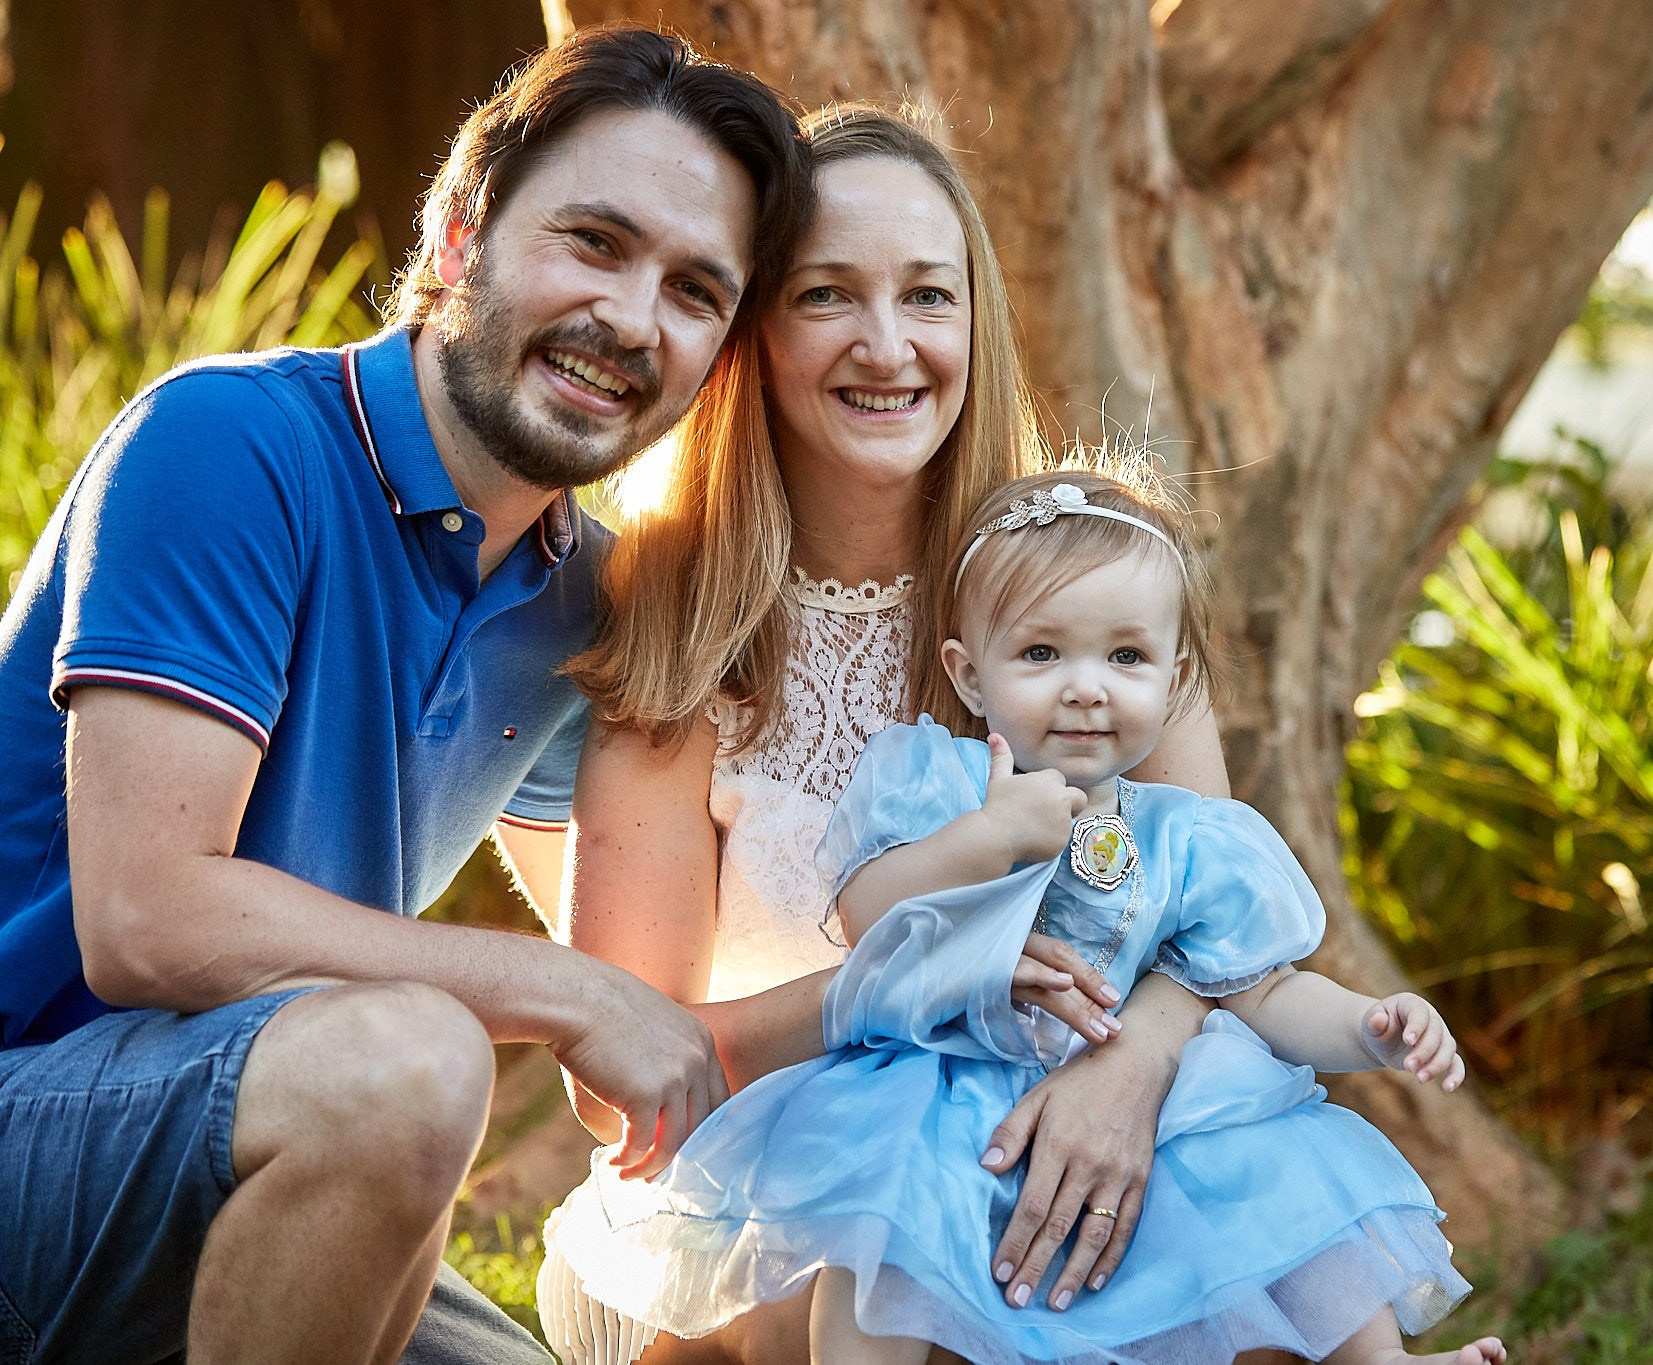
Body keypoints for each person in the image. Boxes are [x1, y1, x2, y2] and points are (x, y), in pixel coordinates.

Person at [0, 25, 809, 1364]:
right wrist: (553, 990)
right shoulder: (228, 445)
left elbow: (642, 1001)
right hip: (39, 1131)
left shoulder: (582, 605)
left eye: (694, 291)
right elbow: (145, 919)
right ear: (456, 235)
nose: (630, 319)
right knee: (411, 1064)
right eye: (595, 243)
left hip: (262, 1163)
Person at [537, 107, 1227, 1364]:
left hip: (1058, 1144)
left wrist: (1128, 1076)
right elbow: (615, 1075)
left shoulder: (1095, 586)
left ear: (977, 321)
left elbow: (1222, 914)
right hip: (770, 1201)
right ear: (752, 332)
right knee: (873, 1304)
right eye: (825, 296)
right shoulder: (679, 615)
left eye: (927, 295)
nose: (887, 345)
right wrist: (908, 984)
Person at [544, 467, 1507, 1365]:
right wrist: (989, 836)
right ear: (969, 674)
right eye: (1043, 652)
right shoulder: (941, 779)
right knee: (883, 1228)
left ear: (1174, 683)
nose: (1085, 685)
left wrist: (1370, 1028)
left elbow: (1260, 987)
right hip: (940, 1094)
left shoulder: (1190, 836)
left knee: (1286, 1181)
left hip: (1137, 1107)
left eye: (1125, 655)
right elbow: (869, 913)